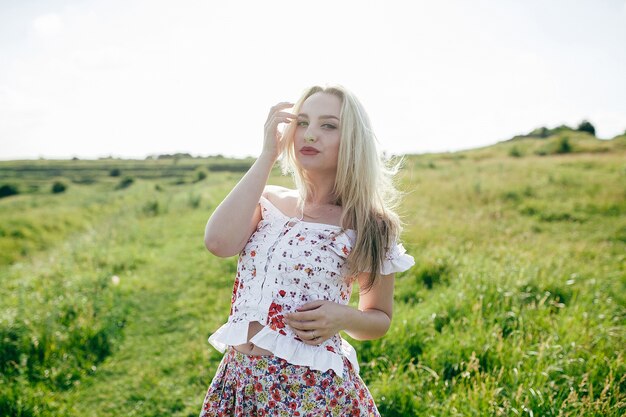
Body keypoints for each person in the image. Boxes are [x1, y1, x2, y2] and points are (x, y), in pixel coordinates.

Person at [199, 84, 415, 416]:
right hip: (241, 382)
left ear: (352, 141)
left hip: (312, 393)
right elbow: (218, 243)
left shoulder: (370, 224)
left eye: (328, 125)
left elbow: (379, 319)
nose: (310, 135)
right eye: (302, 122)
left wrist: (344, 317)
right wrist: (267, 156)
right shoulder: (267, 200)